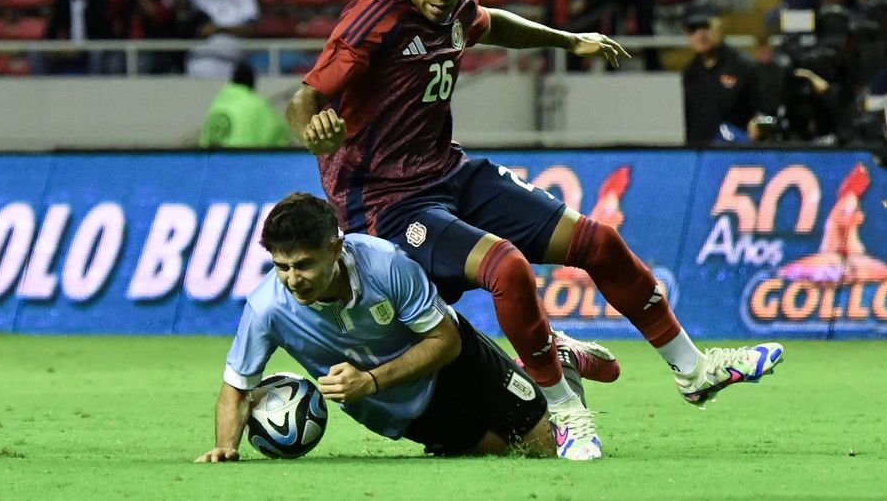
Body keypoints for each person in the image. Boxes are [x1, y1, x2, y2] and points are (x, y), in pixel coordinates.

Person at [286, 0, 784, 459]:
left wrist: (568, 41)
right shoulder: (375, 15)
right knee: (507, 268)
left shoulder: (458, 6)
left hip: (449, 172)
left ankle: (693, 369)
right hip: (385, 205)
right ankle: (565, 411)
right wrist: (313, 130)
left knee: (598, 241)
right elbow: (304, 99)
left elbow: (492, 22)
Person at [194, 192, 611, 462]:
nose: (292, 279)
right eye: (281, 267)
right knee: (510, 451)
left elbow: (444, 341)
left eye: (304, 265)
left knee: (547, 446)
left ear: (335, 249)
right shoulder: (267, 307)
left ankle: (561, 361)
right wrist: (226, 446)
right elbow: (236, 387)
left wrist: (370, 381)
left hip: (454, 362)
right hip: (405, 414)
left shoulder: (384, 263)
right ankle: (547, 364)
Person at [681, 6, 767, 144]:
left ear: (718, 27)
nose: (700, 35)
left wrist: (758, 127)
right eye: (693, 30)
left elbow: (763, 109)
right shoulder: (691, 73)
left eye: (705, 27)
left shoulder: (743, 66)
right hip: (701, 152)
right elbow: (691, 120)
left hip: (737, 151)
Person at [182, 0, 260, 79]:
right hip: (199, 61)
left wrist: (218, 29)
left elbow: (250, 29)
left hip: (231, 63)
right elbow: (178, 5)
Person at [199, 62, 292, 148]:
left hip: (214, 164)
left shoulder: (217, 104)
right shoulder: (258, 105)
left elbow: (205, 140)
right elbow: (279, 138)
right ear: (253, 82)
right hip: (246, 163)